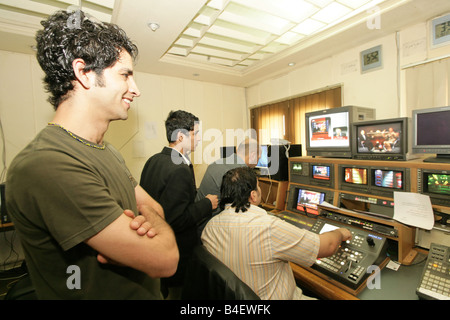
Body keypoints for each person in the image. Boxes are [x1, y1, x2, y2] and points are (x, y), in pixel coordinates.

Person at [5, 10, 178, 299]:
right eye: (125, 75)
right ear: (84, 73)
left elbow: (155, 209)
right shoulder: (47, 163)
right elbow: (165, 258)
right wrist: (153, 235)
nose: (135, 90)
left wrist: (147, 223)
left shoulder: (108, 150)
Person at [201, 166, 352, 300]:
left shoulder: (209, 228)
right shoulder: (268, 227)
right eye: (259, 186)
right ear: (253, 195)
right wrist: (340, 232)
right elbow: (328, 246)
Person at [140, 110, 218, 299]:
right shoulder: (179, 169)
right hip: (177, 252)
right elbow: (177, 219)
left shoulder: (153, 160)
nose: (199, 139)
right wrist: (208, 204)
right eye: (196, 134)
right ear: (181, 136)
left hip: (152, 246)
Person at [195, 138, 260, 233]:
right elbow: (243, 210)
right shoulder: (239, 174)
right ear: (253, 155)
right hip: (210, 229)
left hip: (198, 223)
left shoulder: (217, 163)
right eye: (259, 157)